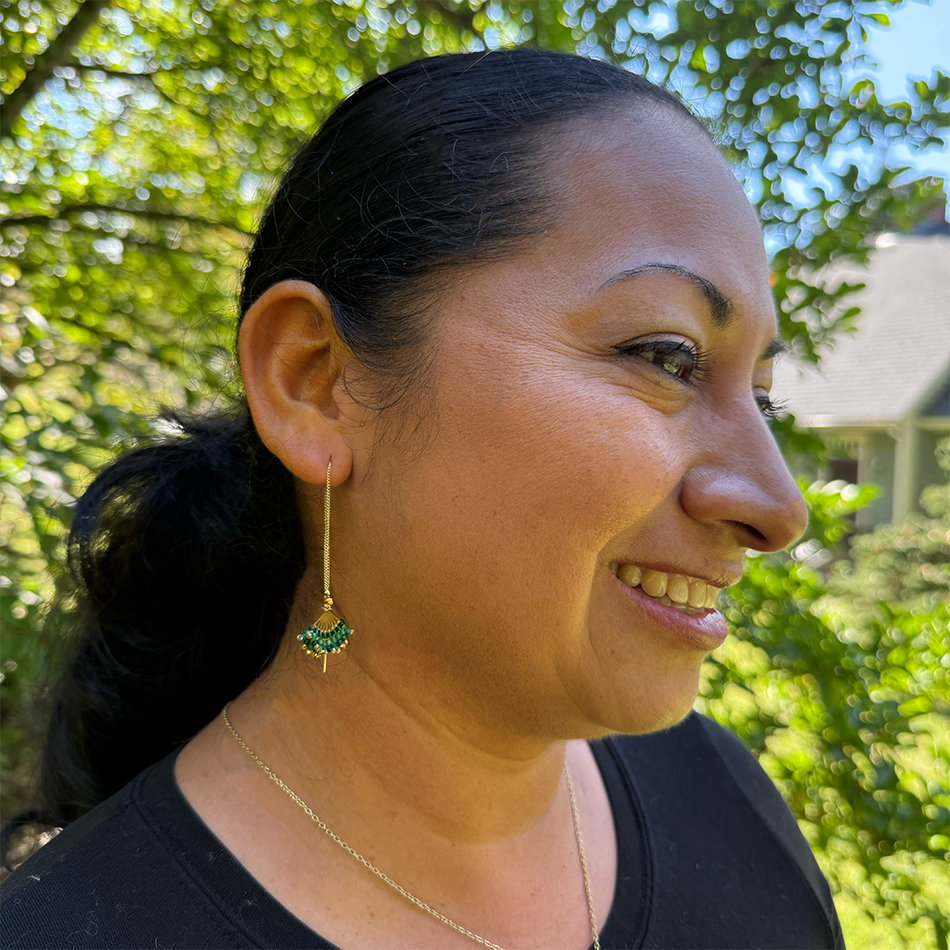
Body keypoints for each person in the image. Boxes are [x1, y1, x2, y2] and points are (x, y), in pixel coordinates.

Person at [0, 48, 845, 950]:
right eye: (665, 357)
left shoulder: (731, 804)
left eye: (761, 396)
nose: (777, 507)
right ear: (316, 385)